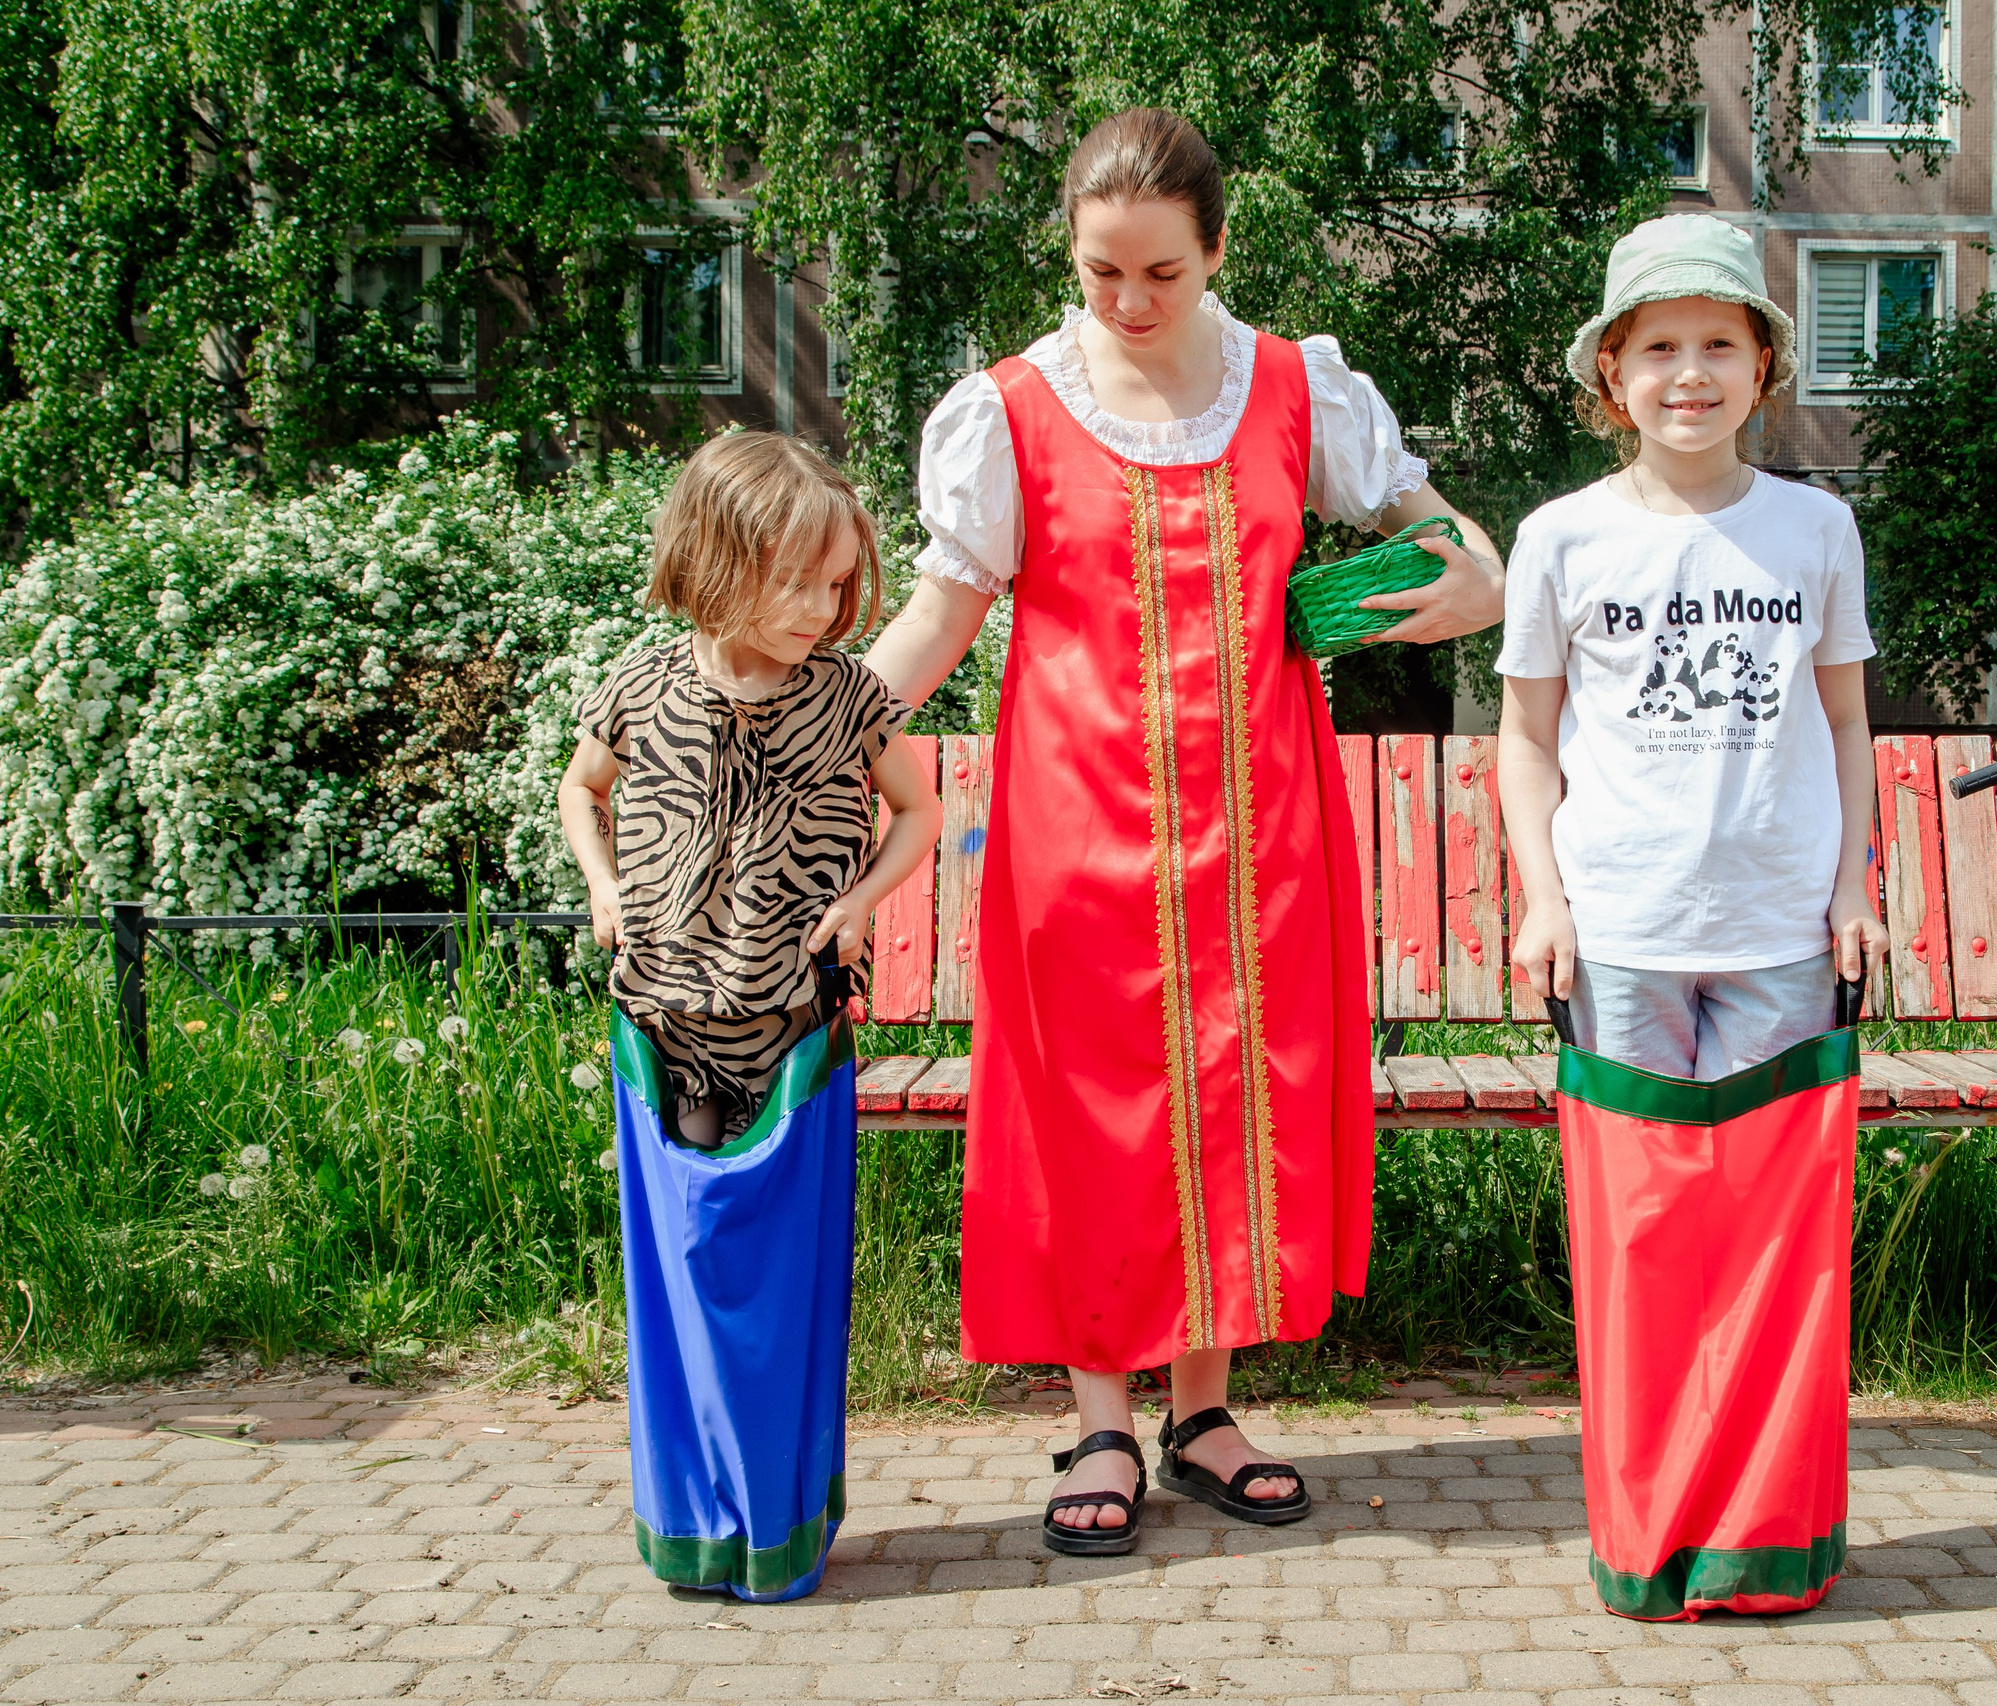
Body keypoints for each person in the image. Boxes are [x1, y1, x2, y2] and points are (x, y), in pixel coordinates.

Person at [863, 107, 1505, 1556]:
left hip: (1262, 819)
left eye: (1161, 271)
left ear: (1218, 250)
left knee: (1233, 1090)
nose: (1131, 302)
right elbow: (945, 612)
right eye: (1102, 273)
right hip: (1073, 819)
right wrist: (818, 727)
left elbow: (1451, 541)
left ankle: (1202, 1409)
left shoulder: (1295, 388)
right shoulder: (1013, 406)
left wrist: (1482, 576)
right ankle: (1100, 1413)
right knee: (1094, 1107)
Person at [1495, 212, 1884, 1618]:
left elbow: (1846, 722)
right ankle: (1656, 1536)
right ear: (1613, 375)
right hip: (1625, 942)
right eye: (1659, 347)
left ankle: (1763, 1543)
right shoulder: (1562, 538)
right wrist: (1543, 902)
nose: (1690, 374)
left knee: (1775, 1253)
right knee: (1647, 1248)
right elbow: (1527, 738)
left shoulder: (1815, 528)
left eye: (1719, 342)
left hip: (1780, 936)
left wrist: (1851, 886)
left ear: (1764, 366)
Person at [558, 430, 941, 1602]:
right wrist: (604, 884)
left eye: (841, 585)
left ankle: (773, 1520)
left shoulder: (849, 697)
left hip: (789, 1034)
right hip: (662, 1030)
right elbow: (582, 786)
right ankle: (690, 1519)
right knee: (680, 1274)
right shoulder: (641, 682)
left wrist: (863, 902)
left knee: (776, 1288)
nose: (828, 608)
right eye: (803, 582)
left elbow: (921, 812)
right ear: (718, 560)